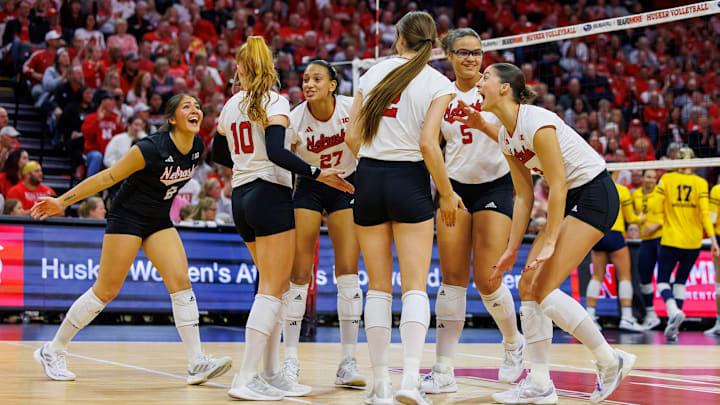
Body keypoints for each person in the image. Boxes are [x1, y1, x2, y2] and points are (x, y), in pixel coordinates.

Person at [456, 62, 635, 404]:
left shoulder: (536, 122)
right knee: (527, 286)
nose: (479, 83)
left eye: (486, 77)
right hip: (571, 199)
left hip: (594, 194)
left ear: (505, 87)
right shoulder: (509, 136)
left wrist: (551, 238)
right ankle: (539, 382)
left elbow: (559, 184)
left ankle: (610, 360)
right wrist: (512, 249)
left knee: (542, 287)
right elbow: (523, 195)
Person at [30, 94, 232, 385]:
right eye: (187, 106)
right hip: (127, 216)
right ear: (172, 118)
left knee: (181, 282)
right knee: (106, 291)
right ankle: (53, 349)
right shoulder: (150, 147)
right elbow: (107, 178)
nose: (196, 110)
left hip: (158, 219)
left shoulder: (198, 147)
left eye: (198, 106)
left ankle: (196, 362)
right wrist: (62, 201)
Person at [212, 36, 352, 401]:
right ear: (269, 66)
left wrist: (246, 161)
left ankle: (273, 373)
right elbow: (276, 152)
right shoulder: (275, 101)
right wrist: (317, 173)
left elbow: (216, 150)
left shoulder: (230, 105)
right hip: (268, 194)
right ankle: (245, 378)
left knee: (276, 289)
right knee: (272, 291)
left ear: (240, 69)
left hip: (240, 196)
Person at [345, 11, 461, 405]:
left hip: (370, 177)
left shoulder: (372, 73)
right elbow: (430, 144)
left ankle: (379, 386)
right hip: (409, 179)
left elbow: (352, 136)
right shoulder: (438, 82)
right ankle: (410, 381)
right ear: (434, 43)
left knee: (377, 288)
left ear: (399, 39)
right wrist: (445, 192)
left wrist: (374, 162)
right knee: (414, 286)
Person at [422, 28, 523, 396]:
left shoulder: (495, 86)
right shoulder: (440, 94)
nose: (471, 58)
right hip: (455, 189)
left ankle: (513, 343)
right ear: (448, 54)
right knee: (451, 278)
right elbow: (430, 144)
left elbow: (517, 128)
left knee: (488, 278)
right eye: (463, 52)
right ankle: (443, 367)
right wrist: (442, 190)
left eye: (477, 52)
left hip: (495, 185)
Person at [284, 60, 365, 389]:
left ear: (333, 85)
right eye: (305, 79)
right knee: (300, 271)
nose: (309, 84)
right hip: (311, 185)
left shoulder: (351, 108)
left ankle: (348, 361)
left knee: (347, 269)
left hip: (346, 184)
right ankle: (289, 358)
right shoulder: (294, 119)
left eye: (317, 78)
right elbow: (283, 160)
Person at [649, 147, 720, 341]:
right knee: (681, 281)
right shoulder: (700, 182)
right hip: (693, 242)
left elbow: (654, 206)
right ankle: (674, 326)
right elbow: (706, 215)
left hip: (671, 239)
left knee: (663, 280)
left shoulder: (668, 180)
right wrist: (713, 240)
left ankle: (672, 310)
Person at [586, 170, 645, 332]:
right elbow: (631, 218)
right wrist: (642, 218)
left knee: (596, 276)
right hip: (615, 233)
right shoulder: (622, 190)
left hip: (597, 233)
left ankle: (590, 316)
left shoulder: (593, 188)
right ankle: (627, 318)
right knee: (624, 277)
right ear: (617, 172)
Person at [632, 169, 663, 330]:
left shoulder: (662, 192)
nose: (652, 180)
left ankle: (673, 312)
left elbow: (671, 214)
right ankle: (651, 315)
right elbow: (633, 216)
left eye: (654, 177)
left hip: (662, 238)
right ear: (643, 178)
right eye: (649, 177)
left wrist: (656, 225)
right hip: (645, 240)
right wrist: (638, 222)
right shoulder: (636, 194)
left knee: (666, 278)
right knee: (644, 278)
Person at [707, 180, 720, 335]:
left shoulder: (717, 190)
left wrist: (713, 241)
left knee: (719, 283)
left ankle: (719, 323)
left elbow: (712, 218)